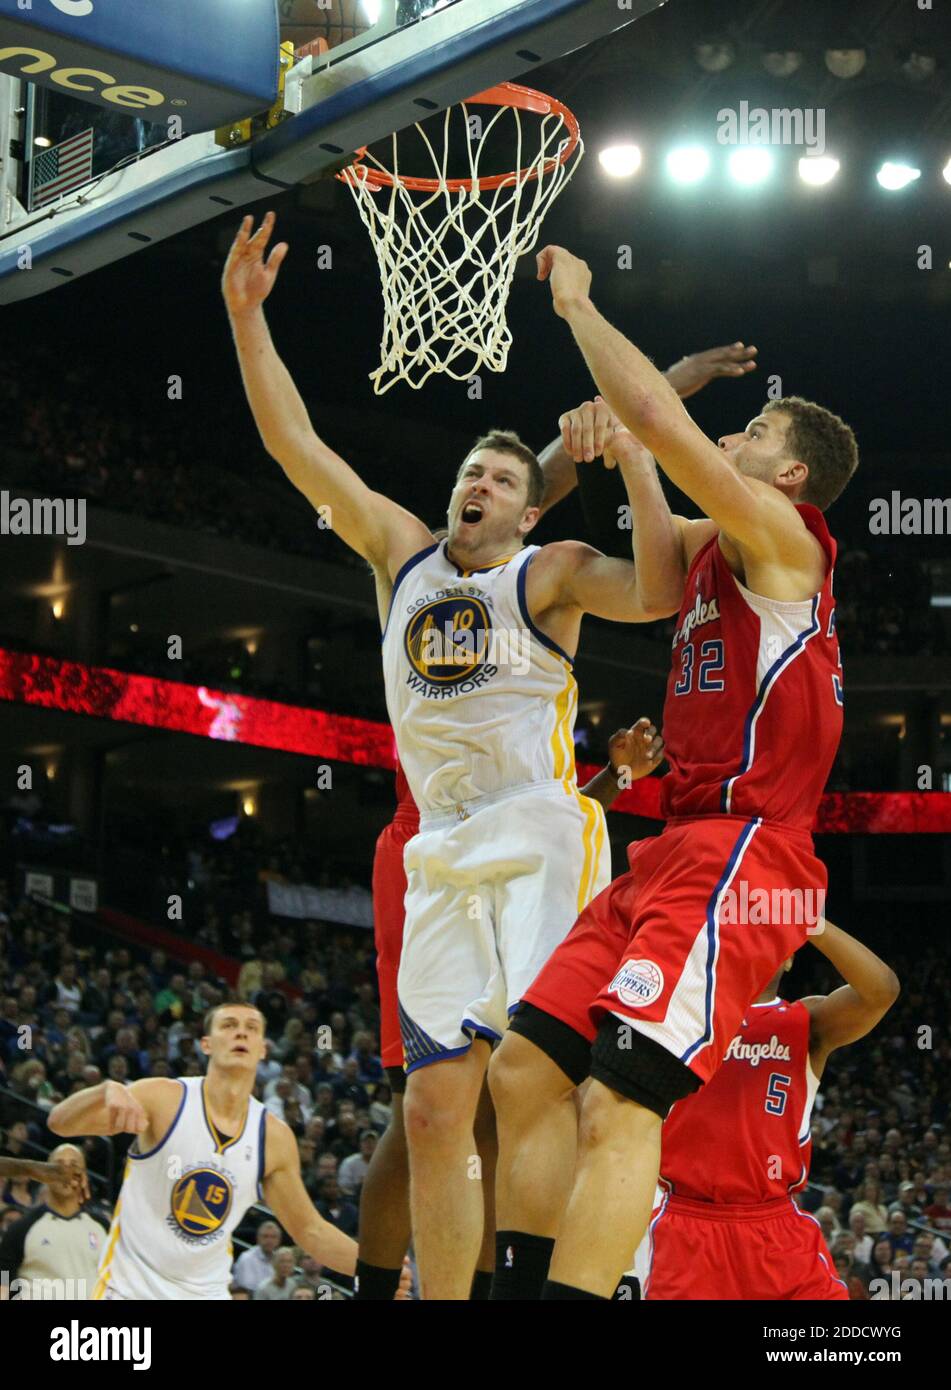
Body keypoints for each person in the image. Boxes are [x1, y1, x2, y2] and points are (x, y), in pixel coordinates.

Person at [222, 211, 682, 1300]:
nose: (478, 484)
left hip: (537, 828)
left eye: (501, 479)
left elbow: (659, 589)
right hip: (439, 846)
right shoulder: (402, 554)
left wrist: (638, 462)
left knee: (534, 1082)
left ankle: (561, 1281)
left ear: (526, 512)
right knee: (432, 1108)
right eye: (471, 471)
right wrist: (247, 321)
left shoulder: (551, 571)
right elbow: (298, 449)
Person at [488, 242, 859, 1299]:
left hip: (748, 852)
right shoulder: (714, 547)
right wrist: (629, 454)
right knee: (525, 1071)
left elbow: (663, 417)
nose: (732, 437)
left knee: (619, 1102)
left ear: (788, 476)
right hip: (672, 851)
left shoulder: (787, 541)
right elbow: (655, 571)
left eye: (752, 432)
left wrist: (578, 308)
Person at [355, 725, 664, 1300]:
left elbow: (537, 808)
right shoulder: (455, 646)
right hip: (432, 837)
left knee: (515, 1096)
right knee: (425, 1109)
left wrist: (616, 776)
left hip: (533, 845)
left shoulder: (547, 699)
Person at [641, 919, 898, 1299]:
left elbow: (882, 991)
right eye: (746, 931)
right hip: (688, 1224)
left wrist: (811, 920)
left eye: (772, 932)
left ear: (791, 956)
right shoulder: (681, 1015)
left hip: (777, 1228)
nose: (758, 939)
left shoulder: (807, 1021)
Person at [47, 1001, 356, 1299]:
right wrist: (104, 1090)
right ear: (206, 1044)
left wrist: (381, 1271)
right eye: (229, 1025)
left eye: (251, 1028)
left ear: (262, 1050)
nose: (241, 1033)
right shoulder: (163, 1098)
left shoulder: (273, 1137)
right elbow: (60, 1123)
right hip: (128, 1291)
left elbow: (311, 1231)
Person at [0, 1144, 106, 1300]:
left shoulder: (103, 1227)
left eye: (74, 1166)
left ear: (84, 1176)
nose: (66, 1172)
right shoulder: (21, 1228)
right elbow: (3, 1278)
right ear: (45, 1174)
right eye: (58, 1166)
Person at [231, 1217, 281, 1292]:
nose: (269, 1240)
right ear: (258, 1238)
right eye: (265, 1236)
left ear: (278, 1240)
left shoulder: (280, 1259)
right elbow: (247, 1289)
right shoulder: (246, 1258)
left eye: (273, 1237)